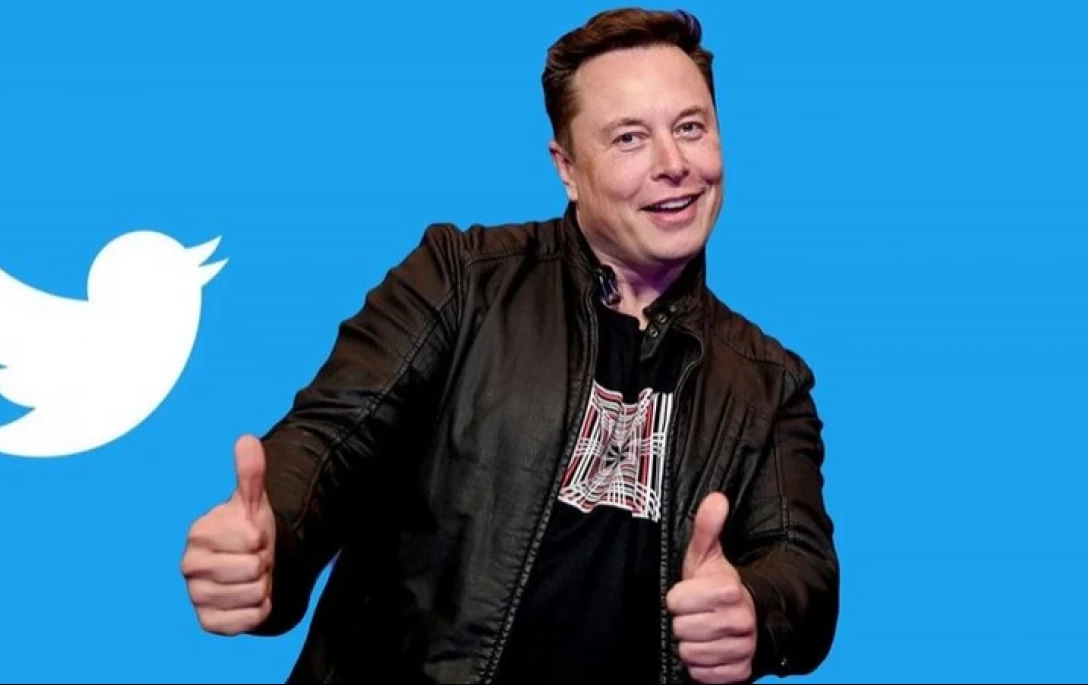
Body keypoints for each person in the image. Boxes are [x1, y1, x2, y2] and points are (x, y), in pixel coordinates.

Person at [180, 7, 839, 684]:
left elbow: (802, 566)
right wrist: (271, 541)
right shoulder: (459, 280)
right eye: (630, 138)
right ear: (567, 168)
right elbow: (330, 441)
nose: (674, 165)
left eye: (691, 128)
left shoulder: (769, 382)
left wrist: (756, 609)